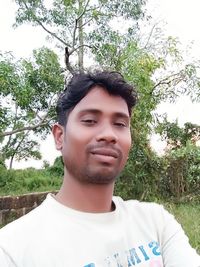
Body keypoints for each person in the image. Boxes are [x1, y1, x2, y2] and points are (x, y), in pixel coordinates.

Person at [0, 71, 199, 267]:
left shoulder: (156, 223)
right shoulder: (12, 249)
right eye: (89, 121)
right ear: (60, 136)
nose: (108, 134)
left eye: (120, 123)